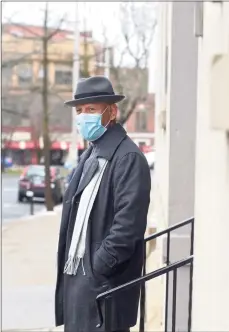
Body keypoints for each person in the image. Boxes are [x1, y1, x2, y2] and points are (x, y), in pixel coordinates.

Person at [55, 76, 151, 332]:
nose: (83, 117)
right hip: (79, 279)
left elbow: (127, 227)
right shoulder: (92, 153)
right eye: (80, 111)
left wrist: (98, 269)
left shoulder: (127, 157)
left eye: (91, 109)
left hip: (102, 285)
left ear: (112, 111)